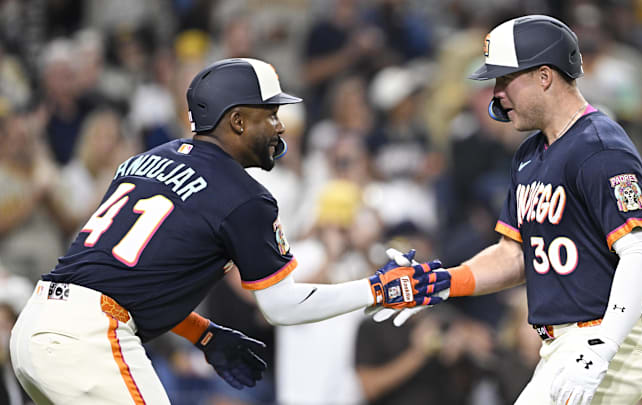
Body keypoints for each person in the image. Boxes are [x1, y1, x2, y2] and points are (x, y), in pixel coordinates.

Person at [8, 57, 447, 405]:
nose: (279, 126)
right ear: (237, 121)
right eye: (270, 114)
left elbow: (123, 277)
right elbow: (283, 306)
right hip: (89, 340)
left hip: (36, 327)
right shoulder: (245, 195)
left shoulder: (142, 161)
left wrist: (202, 332)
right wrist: (379, 289)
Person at [420, 15, 642, 405]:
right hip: (562, 344)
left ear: (545, 76)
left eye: (504, 79)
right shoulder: (530, 154)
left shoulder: (599, 146)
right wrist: (443, 282)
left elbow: (640, 254)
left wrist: (602, 347)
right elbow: (513, 256)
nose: (496, 93)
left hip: (606, 339)